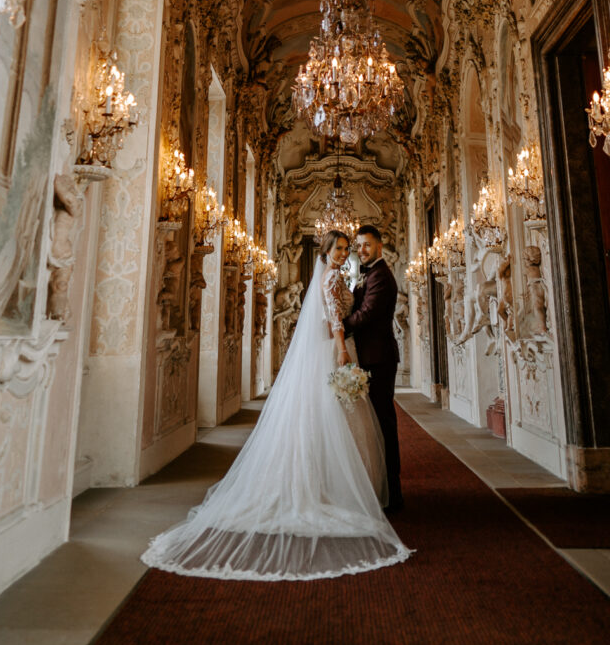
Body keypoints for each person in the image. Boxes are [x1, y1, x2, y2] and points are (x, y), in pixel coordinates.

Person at [142, 229, 410, 581]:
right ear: (327, 250)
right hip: (342, 349)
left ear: (375, 245)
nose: (349, 252)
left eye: (354, 247)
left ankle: (373, 488)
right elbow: (338, 319)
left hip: (365, 352)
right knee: (340, 418)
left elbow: (361, 313)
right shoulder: (333, 278)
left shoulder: (370, 276)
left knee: (362, 420)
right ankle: (348, 488)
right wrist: (342, 344)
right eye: (344, 247)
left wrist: (344, 333)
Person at [344, 226, 403, 512]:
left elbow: (366, 314)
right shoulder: (369, 274)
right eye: (359, 245)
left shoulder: (381, 275)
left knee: (383, 424)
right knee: (375, 425)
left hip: (379, 359)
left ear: (379, 246)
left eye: (366, 245)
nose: (361, 250)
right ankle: (381, 487)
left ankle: (393, 492)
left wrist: (338, 327)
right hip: (369, 357)